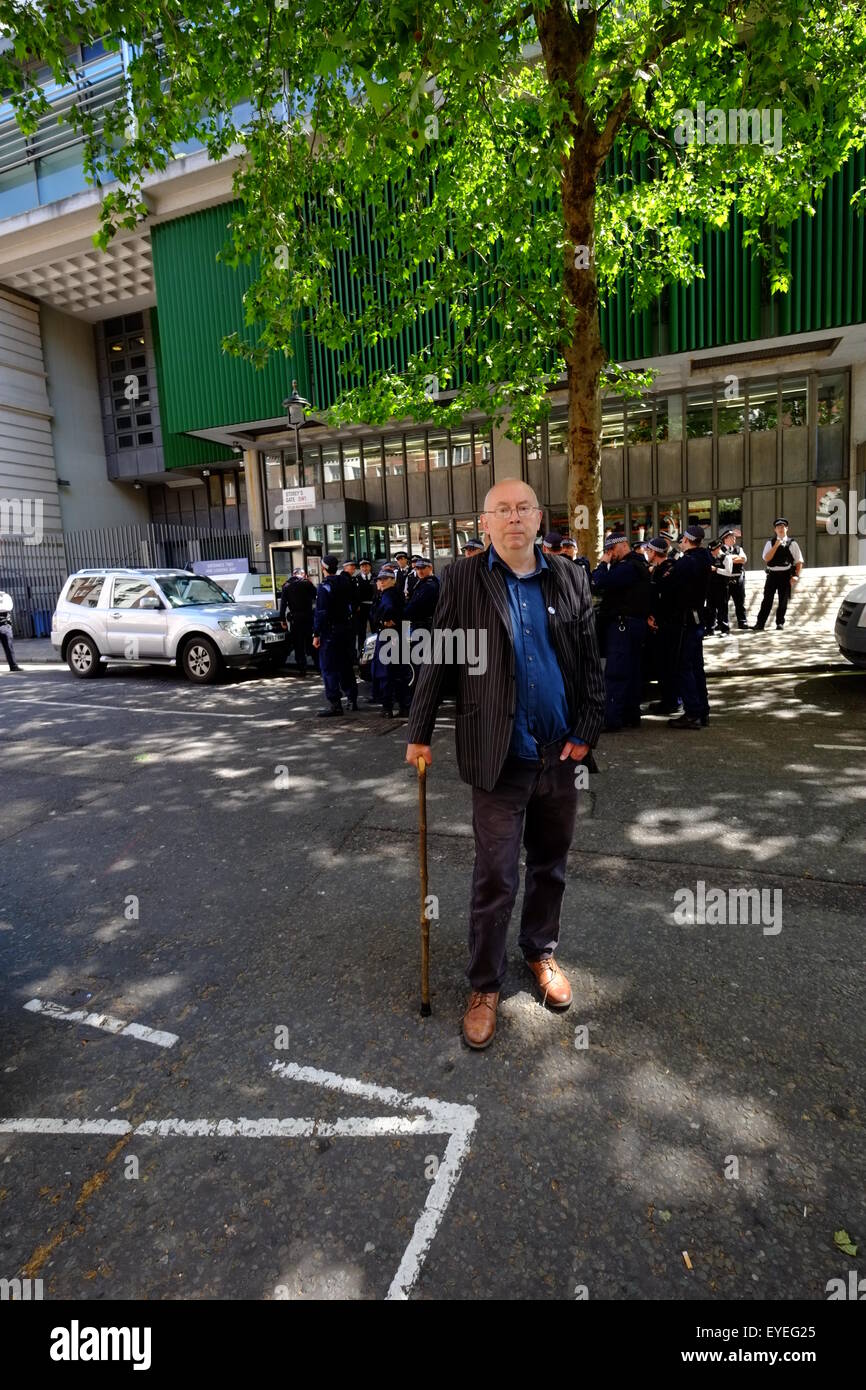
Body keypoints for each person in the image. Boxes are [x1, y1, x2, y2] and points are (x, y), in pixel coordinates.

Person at [405, 480, 605, 1051]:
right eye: (502, 510)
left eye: (523, 508)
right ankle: (484, 985)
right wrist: (418, 732)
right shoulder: (463, 579)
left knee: (550, 865)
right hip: (498, 756)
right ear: (484, 522)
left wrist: (587, 733)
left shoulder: (568, 575)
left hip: (559, 755)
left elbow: (590, 663)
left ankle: (541, 952)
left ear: (539, 518)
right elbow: (439, 659)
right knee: (495, 876)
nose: (513, 518)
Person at [591, 533, 652, 732]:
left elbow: (598, 583)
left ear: (622, 546)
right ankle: (630, 715)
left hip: (622, 626)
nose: (609, 554)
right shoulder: (638, 565)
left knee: (616, 672)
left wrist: (602, 564)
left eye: (611, 550)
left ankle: (612, 718)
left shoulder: (627, 567)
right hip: (634, 624)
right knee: (632, 671)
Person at [664, 525, 712, 729]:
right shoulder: (705, 558)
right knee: (696, 666)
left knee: (684, 666)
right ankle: (702, 710)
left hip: (685, 619)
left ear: (686, 540)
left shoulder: (686, 563)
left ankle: (692, 712)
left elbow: (669, 586)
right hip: (698, 616)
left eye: (682, 539)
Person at [313, 554, 358, 716]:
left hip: (330, 632)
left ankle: (335, 704)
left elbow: (321, 613)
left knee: (329, 668)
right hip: (346, 629)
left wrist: (316, 634)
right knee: (346, 665)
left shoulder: (324, 587)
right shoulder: (345, 582)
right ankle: (352, 699)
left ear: (323, 568)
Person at [645, 537, 681, 716]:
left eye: (648, 551)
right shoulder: (663, 569)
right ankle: (670, 699)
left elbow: (664, 599)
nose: (646, 554)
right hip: (665, 623)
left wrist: (656, 618)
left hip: (665, 625)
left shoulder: (667, 571)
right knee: (665, 665)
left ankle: (671, 702)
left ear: (654, 552)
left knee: (667, 665)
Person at [370, 564, 411, 717]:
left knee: (386, 673)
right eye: (379, 579)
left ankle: (387, 707)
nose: (381, 582)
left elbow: (386, 610)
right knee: (399, 672)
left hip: (389, 636)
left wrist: (384, 620)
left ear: (392, 580)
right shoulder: (395, 593)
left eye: (385, 579)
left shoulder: (388, 594)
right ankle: (404, 706)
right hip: (397, 635)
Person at [751, 519, 803, 631]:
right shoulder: (770, 543)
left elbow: (799, 561)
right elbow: (766, 558)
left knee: (783, 601)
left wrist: (796, 576)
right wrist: (776, 545)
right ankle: (760, 624)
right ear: (775, 529)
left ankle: (780, 623)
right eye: (778, 527)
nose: (781, 528)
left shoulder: (792, 543)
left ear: (787, 528)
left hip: (785, 575)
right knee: (767, 600)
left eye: (783, 526)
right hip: (772, 575)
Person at [279, 567, 317, 675]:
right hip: (308, 617)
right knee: (311, 641)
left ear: (293, 574)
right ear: (303, 575)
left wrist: (283, 620)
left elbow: (283, 605)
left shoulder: (286, 585)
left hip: (295, 619)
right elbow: (316, 595)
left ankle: (302, 668)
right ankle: (318, 665)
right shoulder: (307, 583)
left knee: (298, 644)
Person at [720, 528, 749, 629]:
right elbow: (722, 560)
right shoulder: (719, 549)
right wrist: (735, 558)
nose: (734, 538)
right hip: (725, 579)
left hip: (738, 578)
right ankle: (723, 623)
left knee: (740, 602)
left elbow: (743, 559)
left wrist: (729, 558)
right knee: (723, 603)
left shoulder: (738, 549)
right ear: (725, 538)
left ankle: (742, 622)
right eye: (732, 537)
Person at [705, 539, 733, 635]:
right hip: (710, 586)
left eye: (714, 550)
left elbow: (729, 572)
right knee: (710, 608)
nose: (712, 552)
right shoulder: (709, 557)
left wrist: (716, 569)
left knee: (722, 608)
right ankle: (710, 629)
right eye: (711, 551)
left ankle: (725, 629)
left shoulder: (726, 558)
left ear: (718, 548)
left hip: (722, 586)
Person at [355, 558, 376, 657]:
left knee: (375, 630)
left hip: (373, 606)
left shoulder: (375, 577)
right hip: (361, 607)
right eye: (362, 566)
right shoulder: (356, 579)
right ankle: (362, 652)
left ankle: (375, 651)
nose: (364, 568)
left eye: (366, 566)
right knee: (361, 631)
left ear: (370, 567)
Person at [0, 589, 23, 672]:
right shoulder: (6, 597)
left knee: (9, 647)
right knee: (9, 648)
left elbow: (8, 608)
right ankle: (13, 666)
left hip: (5, 626)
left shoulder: (5, 597)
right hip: (5, 626)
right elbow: (8, 608)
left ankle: (13, 666)